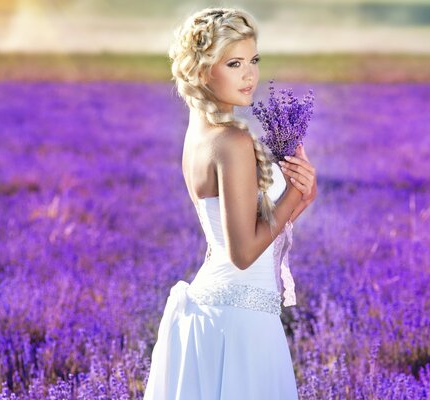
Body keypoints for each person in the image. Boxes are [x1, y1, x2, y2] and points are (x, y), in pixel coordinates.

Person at [143, 7, 317, 400]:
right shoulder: (232, 143)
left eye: (253, 60)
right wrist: (293, 193)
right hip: (240, 322)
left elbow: (231, 237)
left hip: (218, 309)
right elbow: (242, 253)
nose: (250, 75)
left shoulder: (199, 137)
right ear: (204, 71)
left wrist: (299, 200)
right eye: (234, 63)